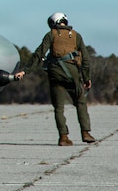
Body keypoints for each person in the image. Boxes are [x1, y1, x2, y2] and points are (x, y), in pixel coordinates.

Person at [15, 12, 95, 146]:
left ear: (53, 23)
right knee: (81, 102)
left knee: (59, 107)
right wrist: (87, 78)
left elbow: (39, 54)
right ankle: (86, 132)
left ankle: (63, 137)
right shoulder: (76, 36)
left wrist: (25, 70)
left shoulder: (51, 34)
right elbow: (85, 59)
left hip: (55, 73)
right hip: (72, 73)